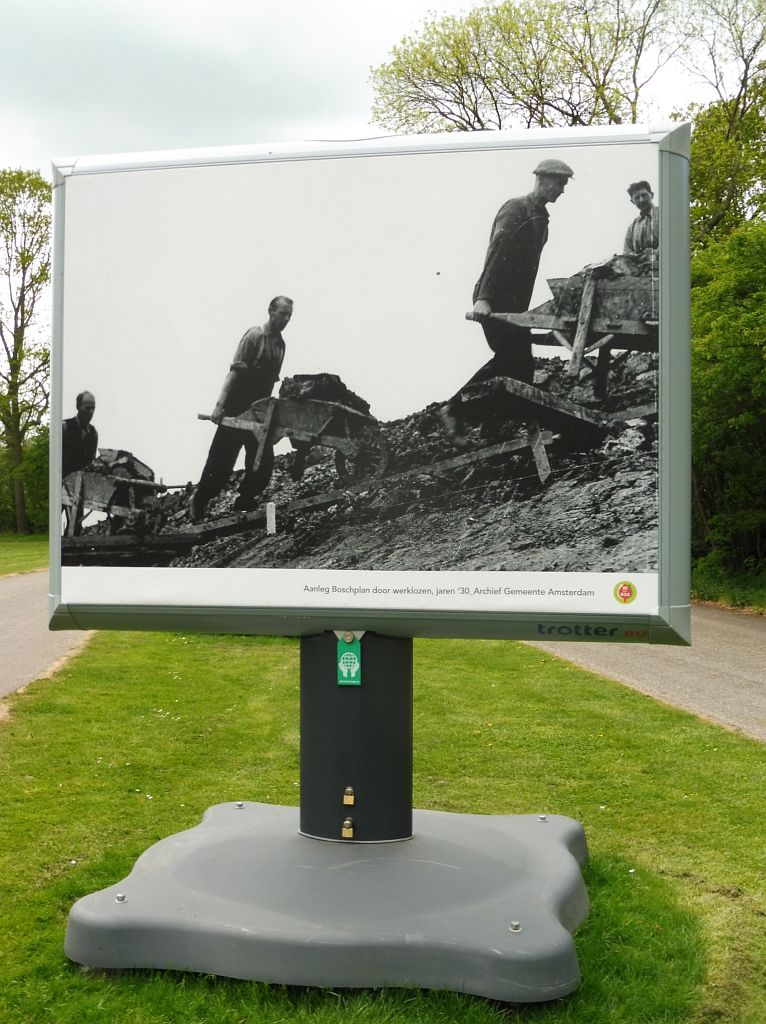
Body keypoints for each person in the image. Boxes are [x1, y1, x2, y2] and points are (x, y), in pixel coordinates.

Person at [441, 158, 574, 439]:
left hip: (513, 302)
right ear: (542, 179)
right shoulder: (517, 208)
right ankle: (455, 410)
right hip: (495, 298)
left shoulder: (541, 219)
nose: (562, 190)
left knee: (523, 367)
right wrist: (485, 297)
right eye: (559, 183)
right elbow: (497, 251)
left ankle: (492, 428)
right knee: (510, 359)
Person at [190, 296, 293, 520]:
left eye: (289, 316)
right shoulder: (254, 336)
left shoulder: (280, 345)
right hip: (237, 406)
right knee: (221, 463)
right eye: (282, 314)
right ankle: (198, 503)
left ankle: (244, 500)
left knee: (263, 464)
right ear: (270, 311)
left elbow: (270, 382)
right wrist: (219, 406)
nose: (285, 319)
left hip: (260, 410)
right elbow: (234, 373)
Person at [62, 390, 98, 535]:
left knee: (75, 528)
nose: (90, 412)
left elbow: (91, 462)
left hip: (78, 489)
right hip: (61, 484)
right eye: (87, 408)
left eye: (93, 408)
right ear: (78, 407)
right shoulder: (65, 427)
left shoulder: (93, 434)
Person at [623, 180, 659, 260]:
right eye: (637, 197)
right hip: (640, 269)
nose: (641, 200)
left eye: (644, 195)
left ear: (652, 195)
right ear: (632, 202)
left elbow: (672, 240)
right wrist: (640, 258)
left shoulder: (665, 214)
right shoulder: (632, 226)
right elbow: (626, 252)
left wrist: (655, 254)